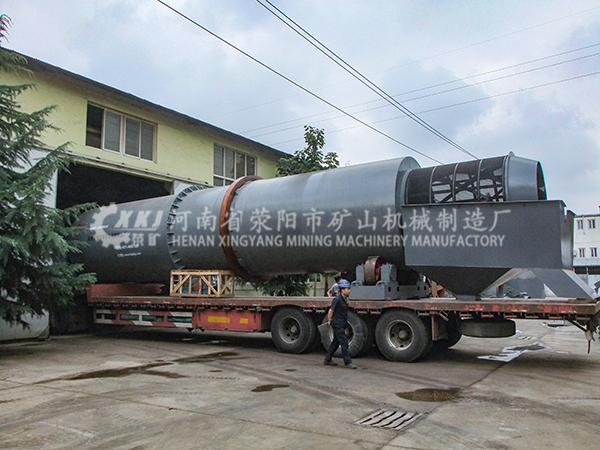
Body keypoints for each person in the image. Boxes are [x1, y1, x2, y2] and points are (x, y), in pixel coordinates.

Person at [324, 279, 357, 369]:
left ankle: (327, 359)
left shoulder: (344, 299)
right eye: (347, 289)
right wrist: (329, 320)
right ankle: (348, 362)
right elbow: (331, 311)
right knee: (344, 343)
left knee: (335, 343)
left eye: (349, 288)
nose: (349, 290)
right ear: (342, 290)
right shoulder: (337, 299)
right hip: (337, 325)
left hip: (342, 323)